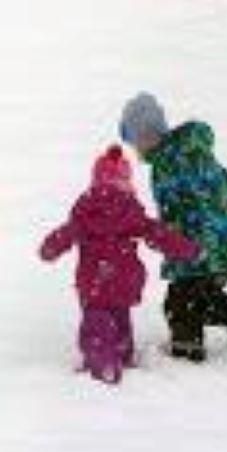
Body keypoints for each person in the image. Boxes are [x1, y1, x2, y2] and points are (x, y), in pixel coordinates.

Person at [39, 145, 199, 384]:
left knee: (96, 323)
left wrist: (49, 249)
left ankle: (103, 363)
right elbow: (159, 233)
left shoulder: (86, 211)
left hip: (94, 281)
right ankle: (123, 353)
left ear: (95, 180)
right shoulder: (131, 211)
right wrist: (186, 249)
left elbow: (65, 235)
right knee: (120, 317)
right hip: (125, 281)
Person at [120, 92, 227, 362]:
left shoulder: (170, 163)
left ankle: (188, 350)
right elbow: (224, 179)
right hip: (222, 241)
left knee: (180, 302)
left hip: (200, 247)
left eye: (133, 141)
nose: (134, 148)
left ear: (147, 136)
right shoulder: (194, 150)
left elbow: (181, 210)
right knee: (201, 297)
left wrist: (167, 238)